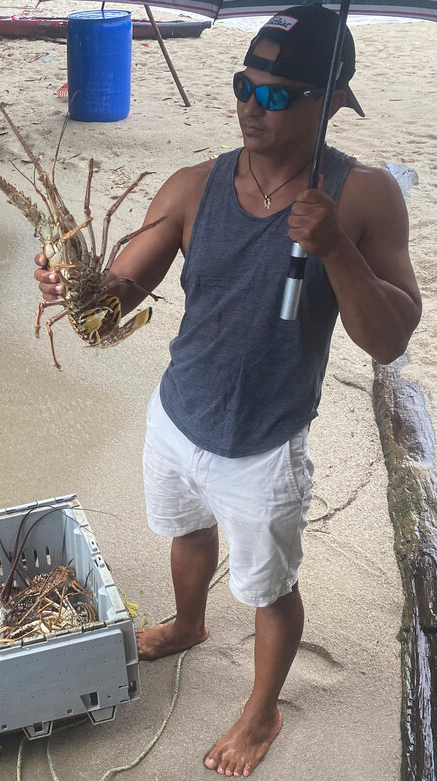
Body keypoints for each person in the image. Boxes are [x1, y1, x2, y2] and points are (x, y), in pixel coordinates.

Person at [35, 5, 421, 777]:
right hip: (179, 416)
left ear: (332, 100)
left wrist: (335, 246)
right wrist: (70, 283)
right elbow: (111, 299)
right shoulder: (194, 185)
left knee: (269, 586)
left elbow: (390, 336)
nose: (252, 104)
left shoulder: (365, 197)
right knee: (185, 532)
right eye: (246, 84)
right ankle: (188, 622)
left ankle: (262, 709)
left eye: (278, 94)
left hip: (265, 443)